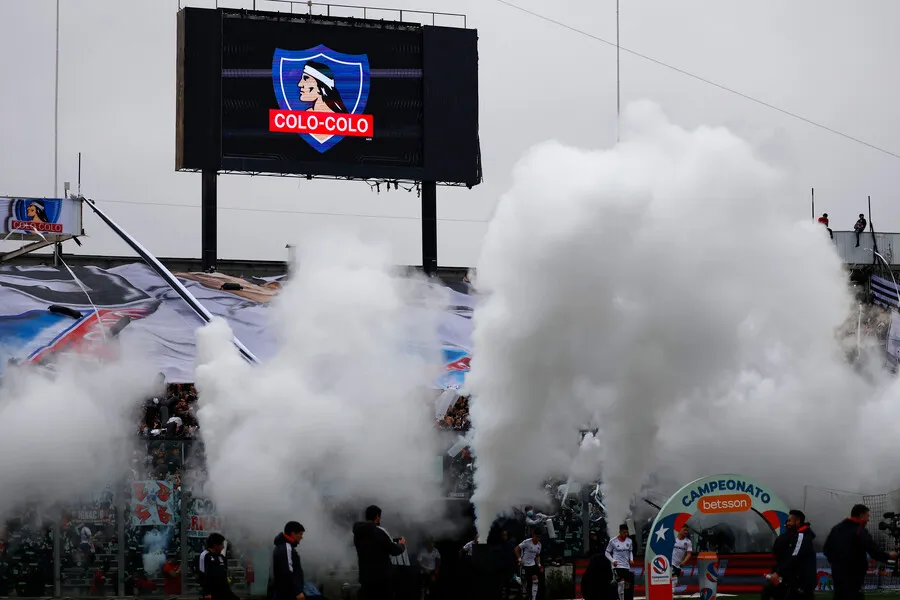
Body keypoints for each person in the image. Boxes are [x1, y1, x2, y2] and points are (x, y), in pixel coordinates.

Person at [824, 504, 897, 600]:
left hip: (837, 573)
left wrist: (836, 563)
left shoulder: (836, 528)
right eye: (867, 516)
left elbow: (826, 549)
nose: (868, 520)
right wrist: (889, 556)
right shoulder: (859, 530)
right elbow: (873, 551)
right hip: (854, 575)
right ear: (861, 516)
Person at [353, 505, 406, 600]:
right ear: (377, 517)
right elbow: (394, 550)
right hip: (381, 580)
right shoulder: (379, 532)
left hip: (365, 578)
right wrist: (402, 544)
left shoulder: (358, 533)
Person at [764, 510, 816, 600]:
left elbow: (794, 556)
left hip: (802, 581)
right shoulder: (797, 536)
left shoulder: (801, 536)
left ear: (798, 521)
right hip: (797, 580)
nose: (787, 523)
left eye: (789, 521)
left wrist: (778, 573)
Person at [272, 522, 306, 600]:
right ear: (293, 534)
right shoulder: (286, 548)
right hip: (288, 594)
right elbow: (288, 572)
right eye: (300, 534)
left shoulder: (281, 546)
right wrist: (297, 592)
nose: (302, 537)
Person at [199, 533, 238, 600]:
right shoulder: (205, 555)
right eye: (221, 545)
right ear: (215, 545)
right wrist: (207, 593)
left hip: (224, 591)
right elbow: (203, 575)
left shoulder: (222, 557)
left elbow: (224, 574)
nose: (223, 547)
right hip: (212, 592)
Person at [605, 524, 633, 600]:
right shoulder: (613, 541)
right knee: (621, 583)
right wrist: (612, 560)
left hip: (626, 565)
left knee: (627, 585)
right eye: (624, 532)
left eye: (627, 532)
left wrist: (631, 559)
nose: (626, 534)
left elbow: (630, 551)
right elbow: (607, 552)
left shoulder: (629, 541)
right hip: (617, 566)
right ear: (620, 532)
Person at [515, 527, 543, 600]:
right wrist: (519, 559)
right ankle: (516, 578)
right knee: (524, 584)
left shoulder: (539, 545)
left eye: (539, 537)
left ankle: (533, 598)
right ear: (533, 535)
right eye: (537, 537)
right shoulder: (527, 542)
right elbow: (516, 549)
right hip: (524, 565)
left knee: (535, 579)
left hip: (532, 565)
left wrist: (539, 564)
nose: (538, 539)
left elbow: (537, 555)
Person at [671, 525, 693, 595]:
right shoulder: (673, 538)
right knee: (674, 580)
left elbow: (689, 554)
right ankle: (670, 595)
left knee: (673, 581)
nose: (686, 532)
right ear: (679, 529)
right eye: (684, 530)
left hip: (678, 565)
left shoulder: (688, 542)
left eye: (687, 530)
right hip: (671, 563)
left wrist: (684, 561)